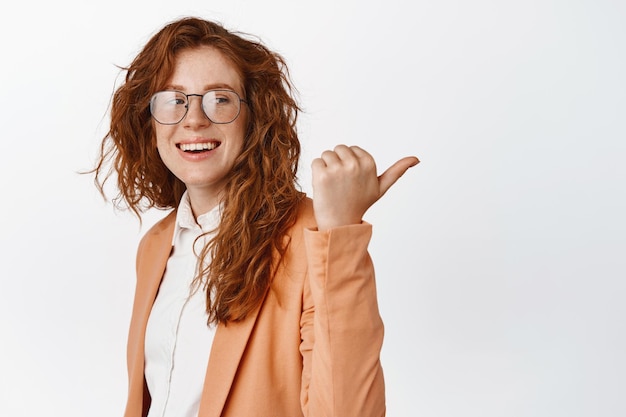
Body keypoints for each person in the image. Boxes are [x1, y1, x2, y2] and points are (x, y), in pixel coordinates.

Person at [93, 16, 419, 417]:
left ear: (255, 117)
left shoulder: (312, 235)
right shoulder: (156, 245)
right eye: (173, 100)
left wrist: (342, 232)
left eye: (220, 98)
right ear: (149, 120)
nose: (193, 119)